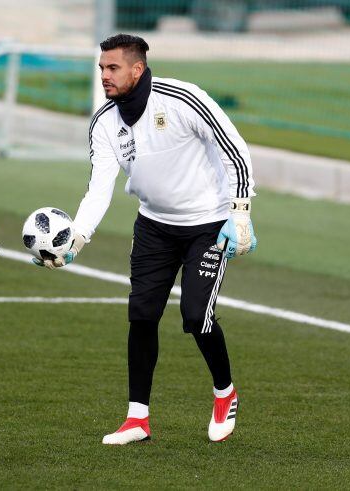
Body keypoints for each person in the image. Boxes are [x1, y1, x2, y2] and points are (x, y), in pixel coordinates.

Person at [44, 34, 257, 444]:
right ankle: (137, 419)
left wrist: (241, 212)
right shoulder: (104, 123)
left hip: (208, 225)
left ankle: (224, 392)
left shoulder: (182, 99)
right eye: (101, 68)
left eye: (112, 68)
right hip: (154, 228)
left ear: (136, 69)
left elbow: (234, 149)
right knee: (142, 316)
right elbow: (99, 187)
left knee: (196, 316)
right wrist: (77, 239)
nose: (104, 76)